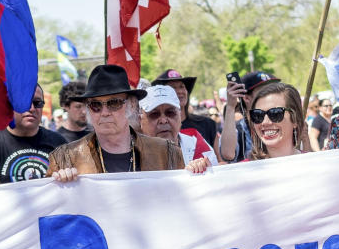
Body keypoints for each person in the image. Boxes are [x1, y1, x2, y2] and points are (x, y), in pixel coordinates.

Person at [48, 64, 185, 180]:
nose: (105, 112)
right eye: (96, 105)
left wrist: (196, 172)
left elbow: (181, 198)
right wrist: (60, 184)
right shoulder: (64, 159)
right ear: (88, 110)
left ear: (131, 105)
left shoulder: (166, 152)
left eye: (114, 103)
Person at [138, 85, 217, 172]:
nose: (163, 120)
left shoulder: (195, 144)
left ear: (180, 116)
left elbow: (215, 179)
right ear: (140, 120)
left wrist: (204, 170)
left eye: (170, 113)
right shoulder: (130, 151)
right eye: (154, 114)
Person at [219, 71, 281, 163]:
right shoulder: (238, 130)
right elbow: (227, 154)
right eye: (264, 92)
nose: (271, 95)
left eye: (274, 90)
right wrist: (230, 107)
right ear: (247, 98)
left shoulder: (281, 122)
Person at [152, 69, 219, 150]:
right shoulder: (156, 128)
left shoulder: (207, 124)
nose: (180, 91)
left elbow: (219, 160)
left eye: (182, 86)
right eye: (172, 88)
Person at [247, 82, 307, 160]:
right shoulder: (241, 170)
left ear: (295, 118)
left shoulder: (316, 164)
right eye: (258, 114)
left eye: (275, 113)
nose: (265, 122)